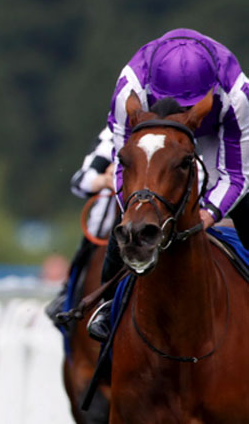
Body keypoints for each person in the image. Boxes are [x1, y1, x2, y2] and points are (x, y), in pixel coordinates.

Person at [87, 28, 249, 341]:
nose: (183, 113)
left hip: (218, 137)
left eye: (190, 107)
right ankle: (108, 303)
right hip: (155, 136)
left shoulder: (238, 95)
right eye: (177, 104)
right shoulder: (129, 89)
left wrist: (209, 214)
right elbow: (125, 165)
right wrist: (138, 211)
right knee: (129, 224)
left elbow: (238, 176)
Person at [44, 127, 117, 322]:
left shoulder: (194, 132)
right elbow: (80, 181)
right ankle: (68, 302)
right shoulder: (114, 134)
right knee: (81, 267)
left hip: (162, 229)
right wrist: (104, 180)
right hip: (103, 232)